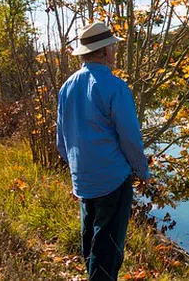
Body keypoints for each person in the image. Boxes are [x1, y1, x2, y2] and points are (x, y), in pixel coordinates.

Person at [57, 21, 151, 281]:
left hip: (84, 180)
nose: (115, 51)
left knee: (91, 241)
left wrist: (78, 167)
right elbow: (130, 138)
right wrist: (142, 170)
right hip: (112, 180)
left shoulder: (67, 87)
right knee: (108, 248)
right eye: (113, 46)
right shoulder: (115, 87)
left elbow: (62, 141)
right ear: (105, 51)